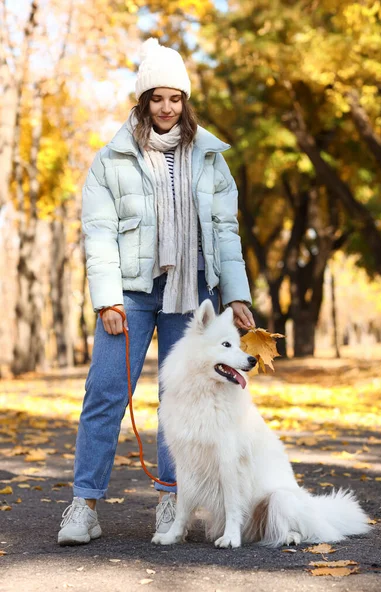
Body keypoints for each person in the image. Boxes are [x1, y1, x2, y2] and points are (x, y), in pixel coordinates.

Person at [58, 38, 255, 546]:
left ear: (185, 102)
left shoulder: (211, 158)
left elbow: (224, 232)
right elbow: (98, 232)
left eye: (176, 98)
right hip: (131, 292)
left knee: (181, 394)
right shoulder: (112, 160)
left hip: (193, 293)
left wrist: (237, 295)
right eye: (156, 98)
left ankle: (174, 496)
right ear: (142, 101)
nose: (166, 108)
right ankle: (84, 504)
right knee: (105, 392)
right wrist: (106, 299)